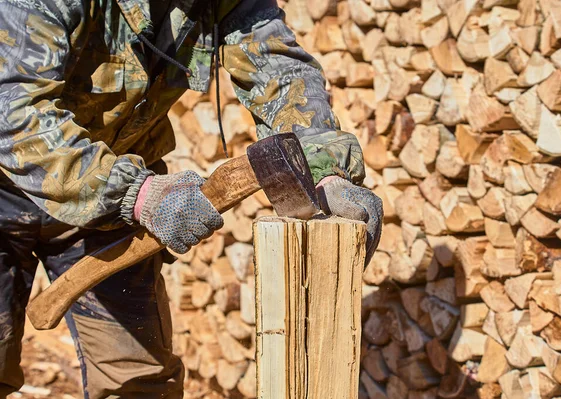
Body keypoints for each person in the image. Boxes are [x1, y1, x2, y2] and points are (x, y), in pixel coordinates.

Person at [0, 0, 383, 397]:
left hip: (108, 208)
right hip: (10, 186)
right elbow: (12, 114)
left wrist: (324, 170)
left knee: (138, 385)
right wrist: (139, 194)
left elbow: (280, 71)